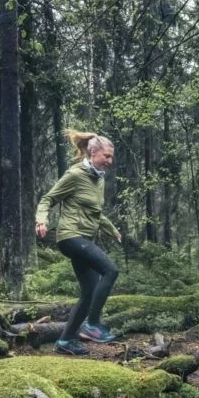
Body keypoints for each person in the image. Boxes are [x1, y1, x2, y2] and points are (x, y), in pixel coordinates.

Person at [35, 129, 122, 356]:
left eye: (111, 157)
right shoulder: (75, 174)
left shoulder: (98, 180)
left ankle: (65, 342)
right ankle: (92, 325)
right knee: (111, 270)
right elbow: (48, 199)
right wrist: (42, 220)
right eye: (106, 156)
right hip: (70, 236)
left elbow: (96, 212)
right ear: (93, 153)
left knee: (89, 292)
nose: (110, 161)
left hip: (84, 238)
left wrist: (112, 230)